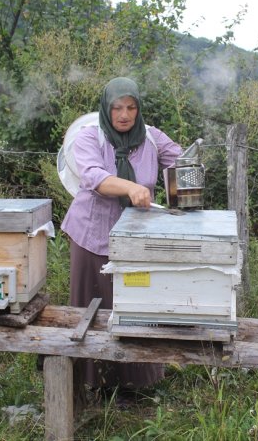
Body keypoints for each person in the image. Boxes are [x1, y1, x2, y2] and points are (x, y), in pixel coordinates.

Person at [61, 76, 183, 401]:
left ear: (139, 109)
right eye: (117, 107)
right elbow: (94, 177)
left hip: (137, 238)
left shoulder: (152, 139)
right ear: (107, 108)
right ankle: (94, 382)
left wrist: (186, 182)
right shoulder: (91, 138)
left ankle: (134, 384)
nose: (124, 115)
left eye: (131, 107)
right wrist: (130, 187)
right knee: (93, 306)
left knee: (135, 304)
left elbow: (181, 161)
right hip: (92, 235)